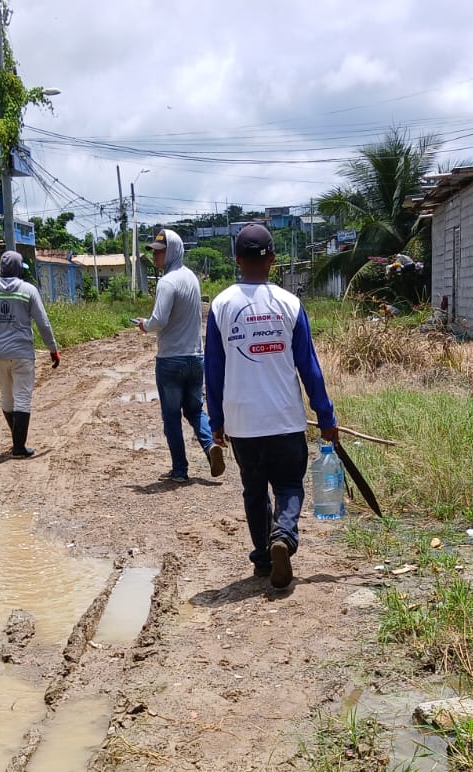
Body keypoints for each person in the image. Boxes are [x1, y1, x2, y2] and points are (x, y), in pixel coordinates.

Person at [204, 223, 338, 591]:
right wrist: (326, 416)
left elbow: (213, 371)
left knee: (254, 490)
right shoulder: (289, 303)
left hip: (242, 422)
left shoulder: (221, 305)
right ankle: (284, 536)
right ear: (273, 260)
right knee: (289, 485)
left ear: (237, 260)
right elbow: (309, 368)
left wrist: (217, 421)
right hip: (285, 420)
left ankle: (264, 559)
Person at [131, 229, 223, 482]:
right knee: (195, 410)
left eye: (159, 252)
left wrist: (145, 325)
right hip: (195, 357)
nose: (155, 256)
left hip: (171, 359)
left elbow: (159, 320)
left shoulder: (167, 282)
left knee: (171, 416)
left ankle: (180, 470)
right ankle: (210, 446)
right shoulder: (191, 278)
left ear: (172, 252)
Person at [0, 251, 59, 459]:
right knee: (22, 397)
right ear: (18, 269)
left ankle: (16, 441)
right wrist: (52, 348)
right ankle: (19, 447)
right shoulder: (28, 290)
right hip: (22, 352)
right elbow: (43, 323)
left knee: (7, 395)